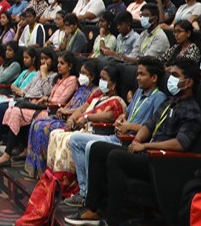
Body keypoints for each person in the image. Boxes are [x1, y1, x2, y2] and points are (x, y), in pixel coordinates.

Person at [65, 58, 201, 226]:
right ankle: (92, 209)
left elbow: (180, 144)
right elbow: (149, 125)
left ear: (189, 82)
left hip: (162, 164)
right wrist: (137, 140)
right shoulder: (171, 102)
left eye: (176, 76)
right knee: (98, 149)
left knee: (116, 157)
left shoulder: (192, 110)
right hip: (146, 155)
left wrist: (145, 146)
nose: (171, 79)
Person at [65, 56, 167, 207]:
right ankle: (84, 191)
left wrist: (129, 127)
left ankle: (88, 196)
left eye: (142, 74)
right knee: (76, 140)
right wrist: (122, 118)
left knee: (90, 147)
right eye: (137, 74)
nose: (137, 78)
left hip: (131, 142)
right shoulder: (139, 92)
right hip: (117, 136)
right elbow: (129, 113)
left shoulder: (159, 97)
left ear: (154, 78)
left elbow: (153, 128)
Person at [23, 59, 100, 179]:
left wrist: (68, 112)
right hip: (64, 116)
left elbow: (85, 110)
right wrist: (63, 109)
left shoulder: (96, 91)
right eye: (80, 73)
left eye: (84, 73)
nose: (81, 76)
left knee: (43, 128)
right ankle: (35, 168)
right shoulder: (81, 89)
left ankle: (44, 170)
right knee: (36, 123)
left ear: (92, 76)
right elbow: (70, 104)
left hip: (75, 121)